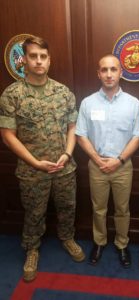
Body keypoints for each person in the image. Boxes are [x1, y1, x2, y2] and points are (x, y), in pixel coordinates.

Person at [0, 36, 85, 283]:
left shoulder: (63, 92)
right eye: (33, 56)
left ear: (49, 60)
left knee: (67, 207)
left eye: (43, 56)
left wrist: (67, 154)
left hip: (64, 167)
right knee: (33, 212)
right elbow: (7, 135)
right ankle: (32, 249)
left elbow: (73, 127)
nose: (39, 61)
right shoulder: (12, 94)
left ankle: (67, 238)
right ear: (24, 60)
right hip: (31, 170)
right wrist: (34, 162)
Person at [75, 54, 139, 268]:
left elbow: (138, 136)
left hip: (123, 166)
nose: (109, 74)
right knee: (99, 208)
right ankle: (99, 242)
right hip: (97, 165)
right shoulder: (87, 103)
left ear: (121, 72)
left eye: (114, 69)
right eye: (104, 70)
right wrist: (97, 159)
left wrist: (119, 160)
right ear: (99, 73)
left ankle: (122, 244)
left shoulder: (133, 104)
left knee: (122, 209)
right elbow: (80, 135)